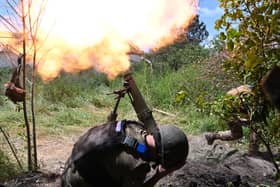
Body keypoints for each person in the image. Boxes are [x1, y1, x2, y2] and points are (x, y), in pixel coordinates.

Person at [61, 120, 188, 187]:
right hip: (73, 183)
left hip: (71, 166)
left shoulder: (136, 127)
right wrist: (159, 175)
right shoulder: (137, 166)